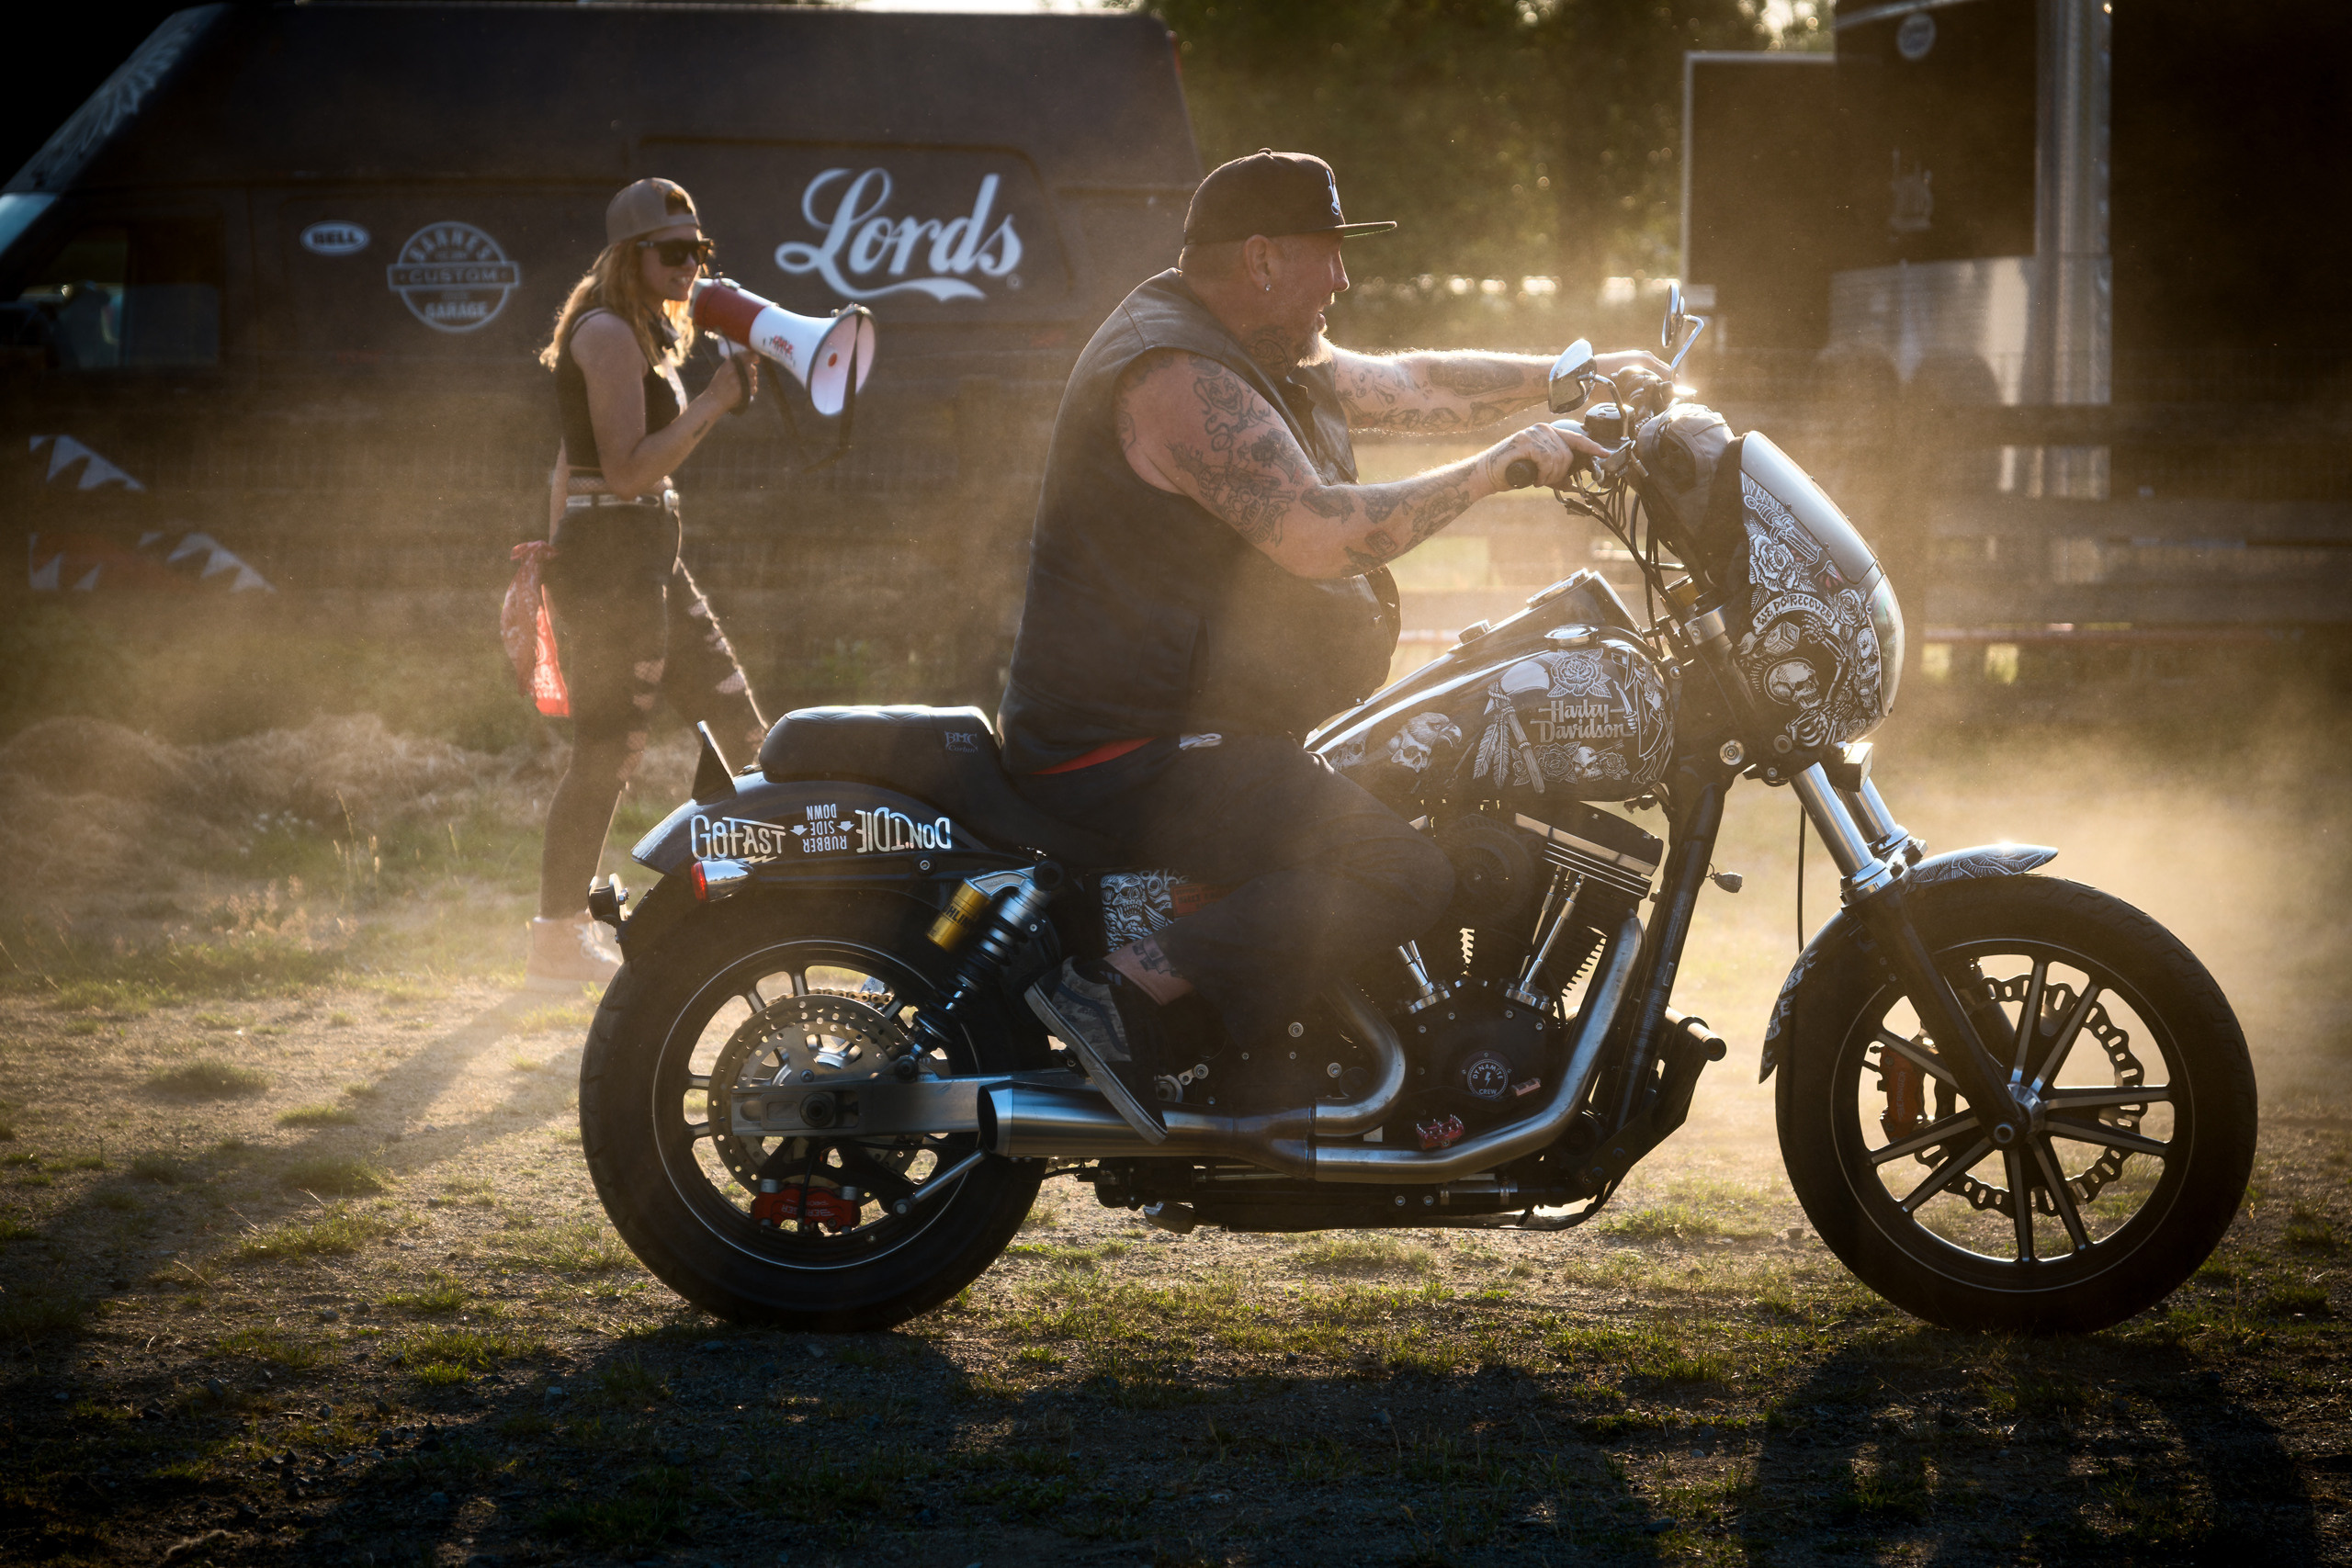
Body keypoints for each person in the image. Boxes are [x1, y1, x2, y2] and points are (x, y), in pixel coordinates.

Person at [1003, 149, 1669, 1140]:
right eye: (1328, 255)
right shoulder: (1176, 373)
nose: (1342, 282)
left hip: (1197, 726)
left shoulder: (1255, 345)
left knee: (1404, 794)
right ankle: (1125, 986)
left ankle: (1276, 1059)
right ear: (1264, 257)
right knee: (1396, 871)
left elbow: (1408, 382)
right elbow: (1315, 533)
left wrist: (1561, 378)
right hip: (1130, 746)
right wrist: (1499, 469)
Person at [525, 178, 765, 990]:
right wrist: (713, 403)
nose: (690, 267)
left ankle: (772, 905)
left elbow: (570, 462)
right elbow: (625, 472)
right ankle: (556, 936)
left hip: (633, 554)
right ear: (631, 255)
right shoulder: (608, 336)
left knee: (738, 725)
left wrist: (555, 549)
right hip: (618, 555)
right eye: (673, 253)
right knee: (611, 747)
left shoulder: (624, 331)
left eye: (699, 251)